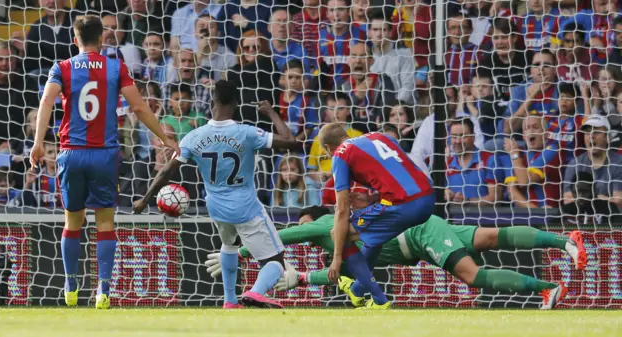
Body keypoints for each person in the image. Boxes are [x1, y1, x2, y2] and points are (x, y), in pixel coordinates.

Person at [30, 15, 179, 310]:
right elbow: (138, 106)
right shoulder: (116, 66)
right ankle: (103, 291)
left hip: (71, 153)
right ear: (101, 39)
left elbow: (46, 102)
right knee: (105, 222)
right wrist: (163, 137)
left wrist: (37, 143)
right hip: (104, 154)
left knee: (73, 221)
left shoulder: (62, 68)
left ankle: (71, 284)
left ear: (75, 40)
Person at [206, 206, 586, 310]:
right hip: (422, 230)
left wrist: (239, 250)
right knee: (489, 237)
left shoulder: (323, 224)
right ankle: (562, 244)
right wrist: (304, 279)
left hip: (419, 236)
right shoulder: (343, 250)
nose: (309, 234)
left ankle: (547, 286)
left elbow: (284, 234)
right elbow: (341, 276)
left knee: (471, 275)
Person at [133, 80, 299, 309]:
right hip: (246, 208)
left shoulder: (194, 136)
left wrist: (145, 198)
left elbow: (166, 170)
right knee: (276, 262)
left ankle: (230, 300)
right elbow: (291, 141)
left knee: (229, 245)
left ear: (212, 103)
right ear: (236, 104)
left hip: (217, 208)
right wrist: (271, 112)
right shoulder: (247, 133)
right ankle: (256, 292)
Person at [318, 123, 435, 309]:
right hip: (428, 196)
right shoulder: (379, 136)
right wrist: (371, 198)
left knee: (339, 234)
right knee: (373, 235)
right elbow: (401, 171)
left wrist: (337, 258)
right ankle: (357, 290)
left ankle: (380, 300)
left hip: (404, 204)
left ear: (327, 148)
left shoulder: (340, 154)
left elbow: (341, 211)